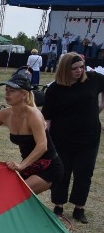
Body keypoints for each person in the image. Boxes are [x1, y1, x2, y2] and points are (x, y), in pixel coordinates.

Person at [42, 52, 104, 223]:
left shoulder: (94, 79)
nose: (79, 71)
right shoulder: (54, 89)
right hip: (62, 139)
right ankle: (59, 205)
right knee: (62, 172)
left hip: (89, 137)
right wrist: (43, 140)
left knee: (84, 173)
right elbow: (46, 117)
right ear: (64, 69)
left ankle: (79, 208)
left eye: (81, 67)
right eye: (74, 68)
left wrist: (99, 107)